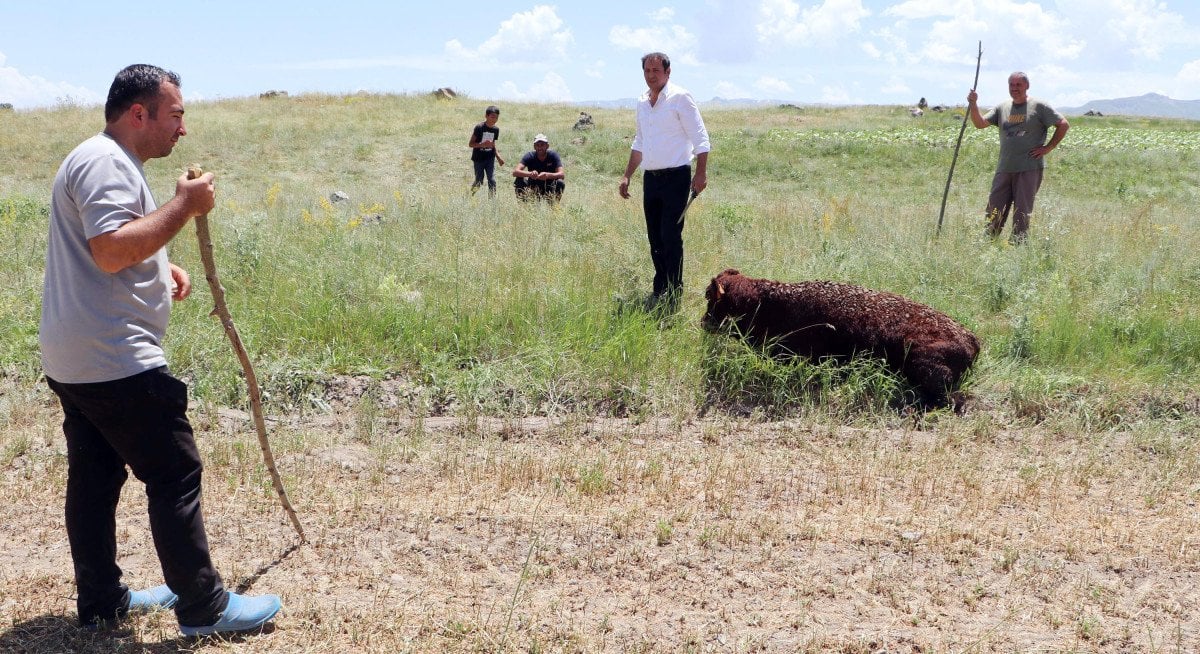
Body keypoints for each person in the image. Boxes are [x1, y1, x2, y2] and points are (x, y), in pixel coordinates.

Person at [39, 64, 281, 637]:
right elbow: (109, 250)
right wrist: (184, 207)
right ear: (138, 113)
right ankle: (204, 608)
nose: (183, 128)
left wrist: (157, 263)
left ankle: (102, 601)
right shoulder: (106, 162)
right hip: (115, 356)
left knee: (95, 478)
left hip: (77, 356)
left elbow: (115, 243)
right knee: (174, 471)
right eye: (175, 114)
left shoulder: (102, 158)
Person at [618, 52, 710, 311]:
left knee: (670, 235)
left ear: (668, 72)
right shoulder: (642, 103)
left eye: (656, 70)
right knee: (655, 237)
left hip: (676, 176)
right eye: (647, 70)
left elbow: (701, 138)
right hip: (652, 179)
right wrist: (627, 175)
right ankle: (660, 288)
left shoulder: (680, 98)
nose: (651, 75)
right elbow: (640, 142)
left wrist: (700, 173)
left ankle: (673, 293)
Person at [967, 72, 1069, 242]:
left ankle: (1018, 245)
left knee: (1022, 210)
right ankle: (988, 242)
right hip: (1005, 167)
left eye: (1018, 85)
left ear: (1027, 86)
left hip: (1029, 168)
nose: (1014, 88)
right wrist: (973, 104)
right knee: (994, 207)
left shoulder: (1039, 106)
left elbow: (1063, 124)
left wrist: (1048, 148)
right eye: (1011, 85)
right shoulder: (1002, 108)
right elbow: (980, 124)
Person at [513, 133, 566, 202]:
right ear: (534, 147)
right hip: (533, 188)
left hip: (549, 188)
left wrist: (547, 175)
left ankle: (553, 206)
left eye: (542, 145)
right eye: (537, 145)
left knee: (560, 182)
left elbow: (561, 174)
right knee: (519, 180)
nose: (540, 148)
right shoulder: (529, 155)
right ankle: (525, 205)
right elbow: (515, 172)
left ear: (547, 146)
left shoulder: (553, 155)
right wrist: (530, 174)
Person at [468, 105, 505, 197]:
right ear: (486, 116)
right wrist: (481, 145)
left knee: (492, 180)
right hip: (478, 159)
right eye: (492, 117)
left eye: (496, 117)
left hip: (490, 158)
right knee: (479, 180)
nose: (494, 119)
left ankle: (491, 202)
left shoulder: (496, 129)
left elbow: (493, 144)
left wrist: (498, 157)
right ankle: (471, 195)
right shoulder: (479, 127)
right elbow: (471, 144)